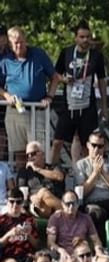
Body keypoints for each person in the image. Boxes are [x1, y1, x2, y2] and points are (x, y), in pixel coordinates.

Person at [0, 27, 60, 167]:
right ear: (10, 44)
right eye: (15, 43)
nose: (19, 46)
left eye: (21, 42)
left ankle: (39, 181)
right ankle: (22, 184)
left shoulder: (39, 54)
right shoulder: (5, 61)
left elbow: (55, 77)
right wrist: (7, 95)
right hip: (16, 110)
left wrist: (50, 97)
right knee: (19, 152)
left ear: (25, 40)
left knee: (38, 151)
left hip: (37, 110)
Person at [52, 22, 109, 164]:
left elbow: (102, 81)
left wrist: (105, 107)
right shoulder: (66, 52)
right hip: (68, 106)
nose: (85, 40)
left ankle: (86, 177)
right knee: (57, 142)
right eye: (82, 37)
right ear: (75, 38)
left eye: (88, 37)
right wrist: (65, 80)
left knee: (87, 146)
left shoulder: (96, 56)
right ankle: (51, 172)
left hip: (87, 107)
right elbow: (55, 75)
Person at [46, 191, 109, 262]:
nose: (71, 206)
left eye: (74, 203)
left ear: (78, 204)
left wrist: (99, 251)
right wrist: (60, 250)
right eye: (68, 204)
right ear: (62, 204)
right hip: (65, 256)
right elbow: (50, 243)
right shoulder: (55, 218)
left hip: (84, 255)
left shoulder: (86, 218)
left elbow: (96, 240)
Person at [0, 189, 40, 262]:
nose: (15, 205)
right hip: (9, 256)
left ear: (22, 203)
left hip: (27, 255)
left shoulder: (29, 220)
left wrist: (29, 235)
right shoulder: (1, 220)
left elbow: (37, 245)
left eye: (18, 202)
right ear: (6, 202)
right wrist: (9, 234)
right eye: (12, 201)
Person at [17, 140, 65, 219]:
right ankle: (69, 213)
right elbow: (21, 191)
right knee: (43, 193)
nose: (30, 157)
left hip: (55, 201)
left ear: (42, 154)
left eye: (33, 154)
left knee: (44, 192)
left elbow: (59, 177)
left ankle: (62, 212)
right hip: (37, 206)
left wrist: (37, 169)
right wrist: (31, 197)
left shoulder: (53, 167)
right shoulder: (24, 172)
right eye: (27, 155)